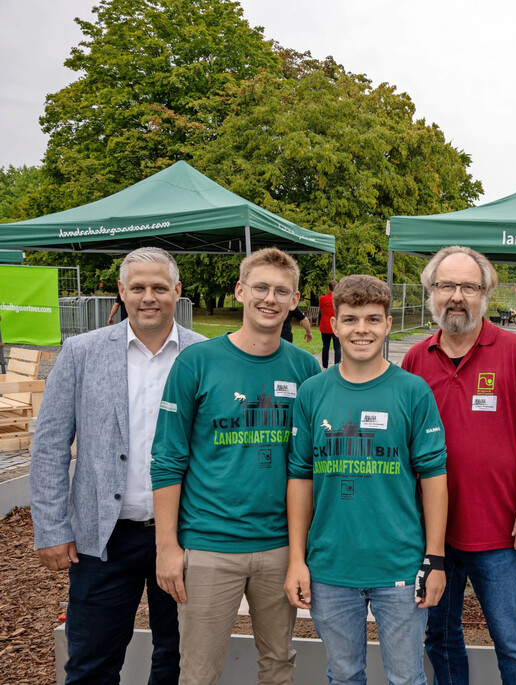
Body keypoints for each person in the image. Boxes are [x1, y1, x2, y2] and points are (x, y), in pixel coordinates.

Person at [30, 247, 204, 684]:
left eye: (160, 287)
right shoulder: (81, 352)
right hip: (103, 538)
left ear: (177, 292)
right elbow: (51, 443)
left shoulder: (205, 355)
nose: (150, 297)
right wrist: (51, 528)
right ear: (122, 292)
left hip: (185, 535)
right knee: (91, 661)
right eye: (139, 287)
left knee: (178, 658)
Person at [151, 247, 321, 684]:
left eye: (281, 291)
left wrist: (306, 550)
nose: (270, 298)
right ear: (240, 291)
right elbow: (168, 459)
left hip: (280, 547)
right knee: (198, 672)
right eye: (260, 287)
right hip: (208, 546)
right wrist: (167, 547)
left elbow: (311, 465)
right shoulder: (196, 362)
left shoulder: (304, 368)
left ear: (294, 298)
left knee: (279, 664)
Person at [402, 246, 516, 685]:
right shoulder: (415, 360)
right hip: (433, 533)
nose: (457, 296)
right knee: (440, 637)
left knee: (511, 640)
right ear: (431, 292)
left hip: (496, 530)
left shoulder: (514, 353)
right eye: (446, 285)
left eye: (468, 286)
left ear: (485, 292)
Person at [285, 274, 449, 684]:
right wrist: (296, 559)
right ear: (334, 324)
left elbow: (433, 477)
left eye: (373, 319)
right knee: (343, 677)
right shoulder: (312, 392)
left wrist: (434, 558)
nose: (362, 329)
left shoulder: (413, 391)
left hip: (399, 564)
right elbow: (300, 478)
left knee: (407, 678)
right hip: (330, 567)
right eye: (351, 319)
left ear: (388, 324)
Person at [318, 279, 341, 368]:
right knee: (337, 348)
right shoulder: (339, 299)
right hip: (336, 326)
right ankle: (337, 366)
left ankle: (325, 366)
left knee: (325, 347)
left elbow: (321, 308)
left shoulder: (323, 298)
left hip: (325, 326)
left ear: (328, 288)